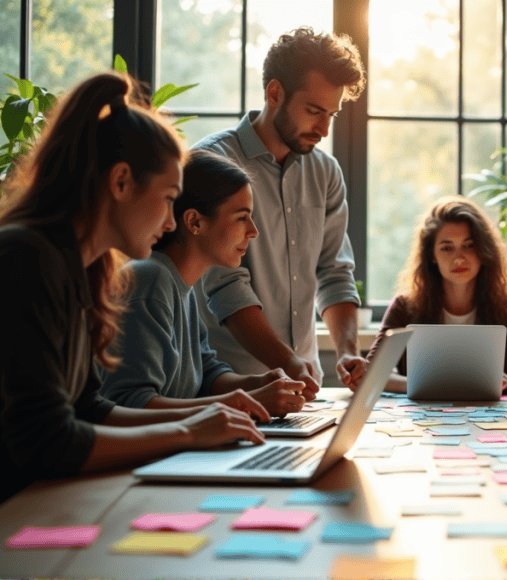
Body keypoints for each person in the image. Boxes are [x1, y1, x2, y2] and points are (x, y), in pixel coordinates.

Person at [0, 72, 265, 504]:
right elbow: (45, 440)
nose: (169, 222)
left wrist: (207, 419)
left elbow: (90, 408)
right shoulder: (26, 258)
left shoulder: (82, 268)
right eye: (167, 199)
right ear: (121, 182)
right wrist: (185, 433)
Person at [193, 26, 367, 398]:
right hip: (228, 393)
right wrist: (287, 362)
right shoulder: (212, 162)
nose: (323, 128)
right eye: (314, 111)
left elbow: (334, 273)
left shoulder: (326, 172)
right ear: (275, 93)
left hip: (304, 391)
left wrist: (348, 352)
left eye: (332, 115)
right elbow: (225, 287)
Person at [99, 150, 308, 418]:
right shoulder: (151, 280)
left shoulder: (184, 285)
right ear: (194, 221)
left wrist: (257, 384)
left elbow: (207, 374)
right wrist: (243, 402)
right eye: (242, 217)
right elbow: (131, 403)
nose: (253, 231)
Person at [365, 196, 507, 394]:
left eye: (469, 245)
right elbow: (369, 373)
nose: (459, 258)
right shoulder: (404, 307)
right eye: (447, 248)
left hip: (489, 420)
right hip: (423, 420)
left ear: (484, 251)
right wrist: (417, 385)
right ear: (432, 255)